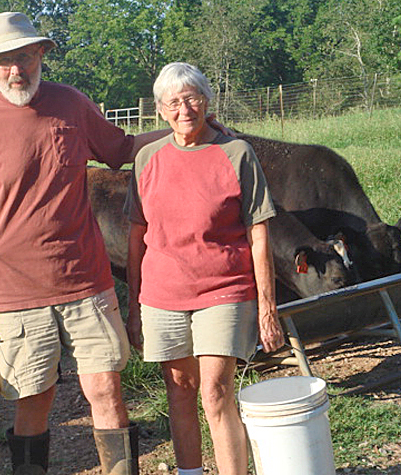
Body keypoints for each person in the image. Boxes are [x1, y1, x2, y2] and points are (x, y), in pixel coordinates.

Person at [0, 13, 234, 475]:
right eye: (3, 61)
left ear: (40, 55)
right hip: (12, 288)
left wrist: (187, 128)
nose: (15, 69)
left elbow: (121, 150)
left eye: (22, 57)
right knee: (34, 396)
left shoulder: (71, 105)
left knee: (105, 390)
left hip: (85, 280)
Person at [125, 62, 285, 475]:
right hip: (162, 295)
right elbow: (136, 237)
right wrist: (133, 306)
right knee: (179, 390)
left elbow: (259, 233)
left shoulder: (236, 153)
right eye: (174, 102)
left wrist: (268, 309)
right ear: (160, 110)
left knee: (215, 392)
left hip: (224, 290)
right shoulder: (147, 160)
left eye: (192, 97)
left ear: (207, 100)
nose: (184, 109)